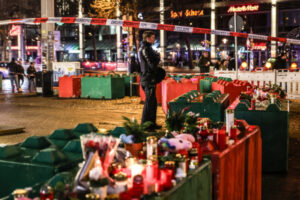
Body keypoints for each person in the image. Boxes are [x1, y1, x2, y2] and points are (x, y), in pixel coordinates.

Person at [138, 31, 161, 130]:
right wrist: (157, 58)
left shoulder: (147, 48)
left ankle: (151, 123)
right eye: (152, 37)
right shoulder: (145, 49)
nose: (154, 39)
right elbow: (151, 64)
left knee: (153, 102)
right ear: (147, 38)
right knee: (149, 102)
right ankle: (146, 125)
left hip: (149, 77)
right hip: (148, 78)